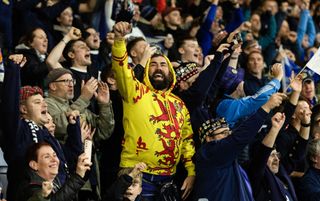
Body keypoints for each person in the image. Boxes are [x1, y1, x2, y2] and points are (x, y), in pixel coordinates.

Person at [112, 21, 195, 200]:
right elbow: (121, 71)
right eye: (153, 64)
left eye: (163, 65)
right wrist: (119, 41)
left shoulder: (179, 104)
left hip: (169, 179)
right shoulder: (136, 92)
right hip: (137, 175)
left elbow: (187, 140)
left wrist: (191, 171)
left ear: (171, 72)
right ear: (146, 70)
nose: (158, 68)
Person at [0, 55, 80, 201]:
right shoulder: (18, 130)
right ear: (23, 109)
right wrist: (13, 69)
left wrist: (74, 128)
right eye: (37, 102)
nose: (44, 105)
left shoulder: (46, 134)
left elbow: (72, 157)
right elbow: (9, 105)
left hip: (59, 193)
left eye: (44, 101)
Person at [193, 93, 285, 201]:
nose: (228, 136)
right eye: (223, 133)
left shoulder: (229, 161)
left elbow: (261, 157)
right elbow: (239, 137)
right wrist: (266, 107)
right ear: (208, 138)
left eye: (229, 133)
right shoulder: (210, 152)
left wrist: (274, 129)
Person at [45, 67, 115, 200]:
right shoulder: (47, 104)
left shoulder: (79, 106)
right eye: (66, 81)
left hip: (90, 173)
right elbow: (60, 125)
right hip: (68, 174)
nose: (71, 84)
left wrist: (104, 105)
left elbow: (104, 132)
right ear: (53, 85)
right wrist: (83, 98)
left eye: (72, 81)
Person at [248, 106, 311, 201]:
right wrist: (275, 129)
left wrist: (305, 125)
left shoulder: (281, 172)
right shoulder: (257, 176)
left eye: (277, 155)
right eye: (272, 155)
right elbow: (263, 153)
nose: (276, 159)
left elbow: (297, 153)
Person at [16, 142, 92, 201]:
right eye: (47, 157)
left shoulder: (56, 181)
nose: (54, 160)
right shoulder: (30, 189)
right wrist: (78, 177)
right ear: (34, 165)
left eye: (55, 155)